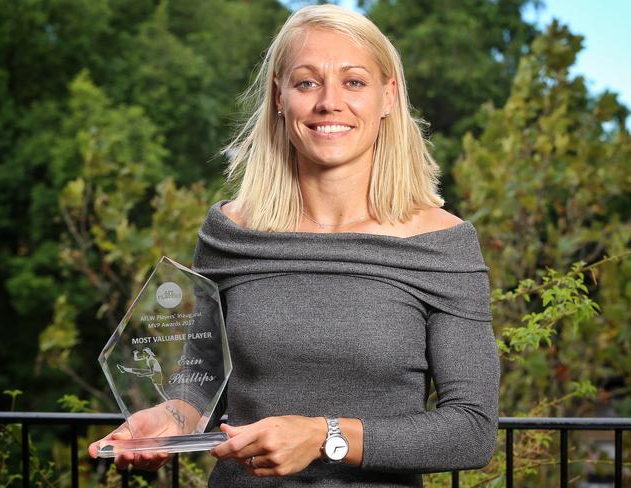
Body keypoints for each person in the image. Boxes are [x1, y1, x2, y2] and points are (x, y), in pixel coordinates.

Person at [89, 4, 500, 486]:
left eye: (353, 82)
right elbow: (202, 382)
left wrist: (324, 436)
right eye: (307, 82)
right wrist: (173, 419)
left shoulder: (442, 245)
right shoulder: (230, 233)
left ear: (387, 96)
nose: (329, 102)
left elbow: (471, 431)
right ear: (279, 97)